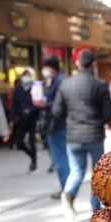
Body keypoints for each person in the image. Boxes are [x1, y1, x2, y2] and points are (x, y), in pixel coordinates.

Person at [52, 49, 111, 219]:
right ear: (94, 63)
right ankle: (95, 207)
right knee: (96, 172)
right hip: (94, 135)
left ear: (77, 63)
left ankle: (69, 194)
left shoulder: (65, 84)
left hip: (73, 136)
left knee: (76, 171)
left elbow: (56, 111)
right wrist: (101, 119)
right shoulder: (99, 85)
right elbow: (109, 112)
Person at [33, 55, 70, 200]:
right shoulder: (57, 80)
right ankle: (66, 188)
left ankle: (66, 189)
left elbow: (58, 106)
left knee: (60, 159)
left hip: (57, 126)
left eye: (45, 67)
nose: (44, 70)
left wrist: (44, 104)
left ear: (51, 68)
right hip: (58, 125)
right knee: (61, 158)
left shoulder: (59, 82)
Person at [9, 70, 39, 172]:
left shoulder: (35, 87)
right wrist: (12, 118)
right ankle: (32, 155)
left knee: (31, 141)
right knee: (19, 143)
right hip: (21, 119)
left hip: (32, 119)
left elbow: (39, 102)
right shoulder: (18, 88)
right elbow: (14, 104)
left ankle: (34, 162)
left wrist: (30, 109)